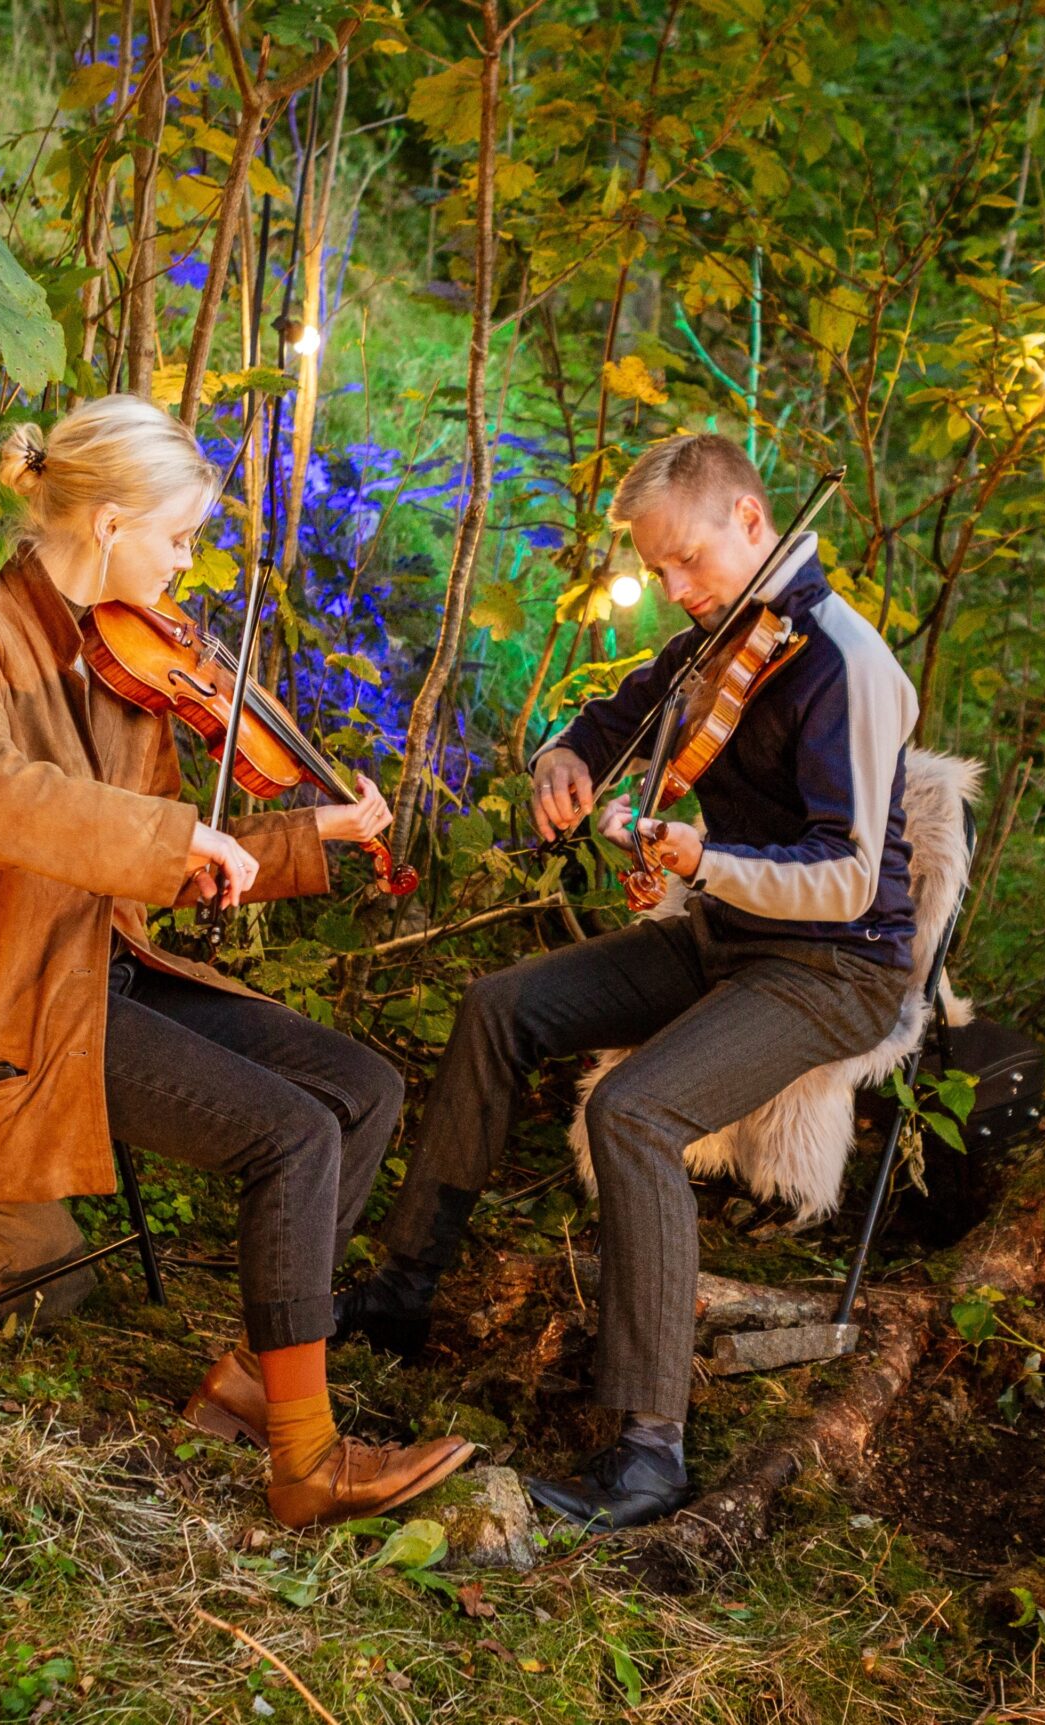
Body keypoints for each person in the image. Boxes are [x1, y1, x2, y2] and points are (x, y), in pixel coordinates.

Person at [0, 394, 473, 1529]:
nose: (186, 563)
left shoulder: (130, 660)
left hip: (103, 964)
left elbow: (162, 844)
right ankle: (305, 1462)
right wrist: (172, 841)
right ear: (108, 523)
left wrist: (313, 836)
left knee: (363, 1089)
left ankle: (259, 1381)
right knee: (291, 1131)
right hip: (14, 999)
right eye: (177, 537)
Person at [334, 434, 919, 1531]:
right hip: (727, 938)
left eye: (687, 561)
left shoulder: (844, 662)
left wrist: (705, 862)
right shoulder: (717, 642)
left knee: (634, 1110)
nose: (674, 590)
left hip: (835, 966)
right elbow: (606, 726)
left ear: (753, 522)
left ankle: (649, 1452)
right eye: (657, 571)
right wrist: (561, 758)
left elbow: (846, 878)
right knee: (500, 1006)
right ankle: (402, 1293)